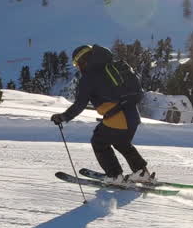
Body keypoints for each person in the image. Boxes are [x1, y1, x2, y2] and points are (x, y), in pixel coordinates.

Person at [50, 44, 155, 185]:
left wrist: (63, 117)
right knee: (122, 143)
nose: (78, 67)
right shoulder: (112, 67)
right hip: (133, 116)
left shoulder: (89, 78)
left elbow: (79, 105)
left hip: (117, 119)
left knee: (99, 141)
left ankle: (114, 176)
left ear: (83, 61)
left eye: (77, 64)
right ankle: (141, 173)